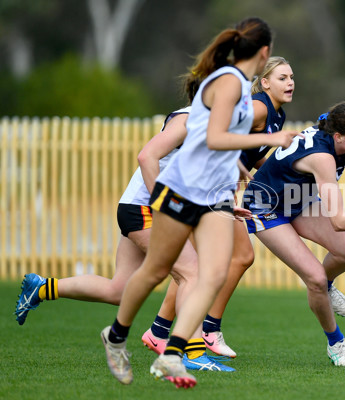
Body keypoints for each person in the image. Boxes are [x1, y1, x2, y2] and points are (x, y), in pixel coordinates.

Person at [99, 17, 300, 389]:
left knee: (215, 272)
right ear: (264, 52)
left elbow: (227, 149)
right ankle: (116, 335)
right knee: (157, 271)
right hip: (180, 190)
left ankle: (172, 355)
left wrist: (238, 180)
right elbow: (214, 138)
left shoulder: (240, 87)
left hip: (214, 196)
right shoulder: (227, 83)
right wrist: (271, 141)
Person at [14, 104, 234, 372]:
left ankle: (42, 288)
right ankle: (194, 353)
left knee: (119, 290)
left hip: (136, 207)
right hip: (144, 210)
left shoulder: (214, 121)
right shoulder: (191, 118)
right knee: (192, 273)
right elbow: (146, 157)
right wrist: (163, 203)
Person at [142, 56, 295, 359]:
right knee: (239, 256)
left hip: (216, 187)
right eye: (282, 78)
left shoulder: (277, 114)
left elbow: (254, 151)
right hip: (209, 185)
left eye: (291, 77)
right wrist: (235, 163)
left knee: (202, 264)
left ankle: (160, 330)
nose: (290, 83)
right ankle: (208, 331)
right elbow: (221, 130)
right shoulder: (260, 107)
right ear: (264, 82)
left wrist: (264, 168)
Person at [242, 101, 345, 367]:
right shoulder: (323, 157)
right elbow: (339, 221)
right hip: (265, 207)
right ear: (338, 137)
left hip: (297, 200)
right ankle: (337, 344)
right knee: (314, 277)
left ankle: (326, 287)